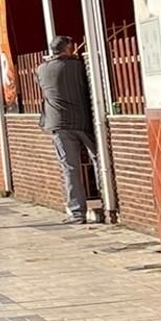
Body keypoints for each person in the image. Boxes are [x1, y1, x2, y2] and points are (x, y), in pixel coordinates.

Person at [37, 34, 99, 225]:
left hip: (58, 124)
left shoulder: (41, 69)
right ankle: (106, 200)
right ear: (68, 48)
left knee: (69, 168)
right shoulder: (77, 66)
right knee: (99, 160)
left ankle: (77, 212)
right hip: (83, 121)